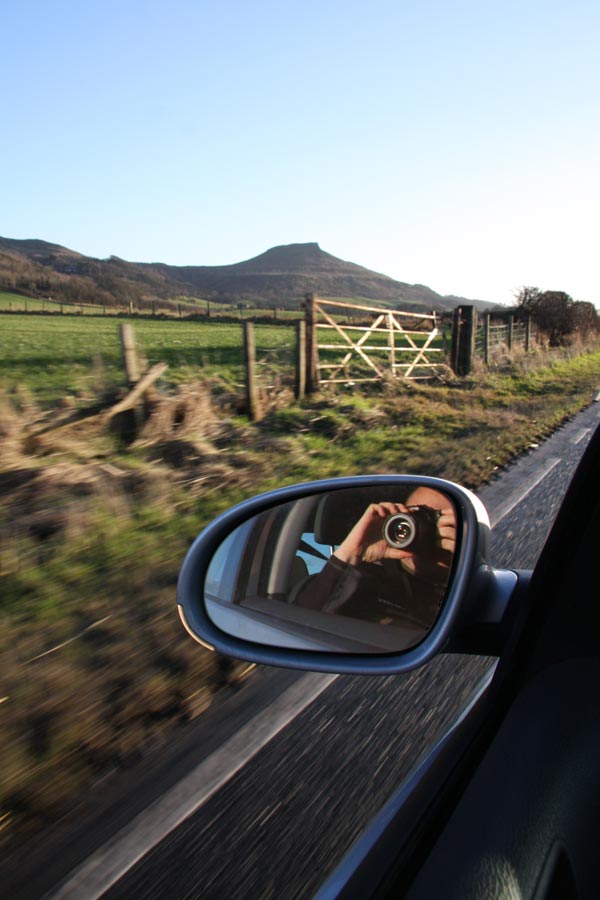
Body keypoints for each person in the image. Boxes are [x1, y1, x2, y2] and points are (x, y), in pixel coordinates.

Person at [293, 487, 456, 630]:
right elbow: (305, 627)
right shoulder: (364, 584)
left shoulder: (469, 567)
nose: (424, 528)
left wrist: (466, 555)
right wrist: (350, 552)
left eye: (438, 519)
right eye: (416, 516)